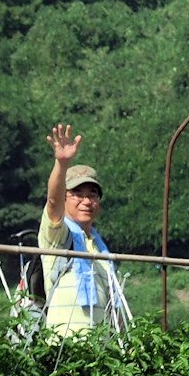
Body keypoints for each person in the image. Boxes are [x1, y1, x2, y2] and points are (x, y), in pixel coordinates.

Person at [40, 124, 126, 336]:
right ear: (65, 198)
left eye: (92, 195)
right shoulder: (58, 236)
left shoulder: (99, 248)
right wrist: (61, 163)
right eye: (77, 194)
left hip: (100, 349)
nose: (86, 201)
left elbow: (113, 305)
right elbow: (53, 202)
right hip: (64, 347)